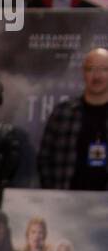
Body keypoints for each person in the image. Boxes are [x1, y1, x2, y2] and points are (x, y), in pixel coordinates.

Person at [37, 47, 108, 191]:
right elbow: (44, 158)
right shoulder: (63, 112)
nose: (97, 76)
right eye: (91, 69)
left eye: (104, 69)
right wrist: (54, 193)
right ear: (83, 73)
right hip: (67, 201)